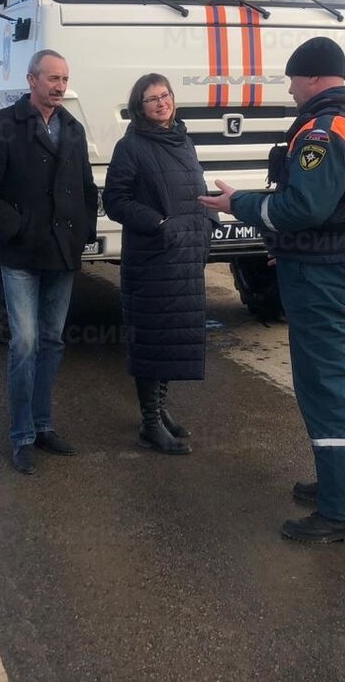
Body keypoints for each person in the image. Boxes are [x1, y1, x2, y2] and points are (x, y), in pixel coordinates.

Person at [198, 37, 345, 543]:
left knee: (327, 389)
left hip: (324, 279)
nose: (291, 88)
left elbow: (302, 209)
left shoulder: (324, 132)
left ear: (315, 77)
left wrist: (241, 205)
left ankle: (344, 511)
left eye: (294, 78)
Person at [0, 49, 99, 475]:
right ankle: (22, 435)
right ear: (31, 80)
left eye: (64, 79)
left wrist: (84, 234)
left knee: (53, 341)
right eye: (52, 79)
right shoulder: (2, 126)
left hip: (62, 254)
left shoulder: (74, 130)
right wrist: (19, 228)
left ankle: (44, 425)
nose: (60, 86)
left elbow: (85, 187)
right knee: (24, 344)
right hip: (22, 254)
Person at [104, 74, 215, 456]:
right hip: (153, 257)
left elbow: (193, 190)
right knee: (152, 338)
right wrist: (159, 224)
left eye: (165, 95)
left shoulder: (183, 140)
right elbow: (115, 201)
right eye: (151, 99)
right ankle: (150, 423)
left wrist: (207, 224)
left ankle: (159, 409)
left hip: (183, 255)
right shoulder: (131, 146)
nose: (161, 103)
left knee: (170, 337)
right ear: (140, 107)